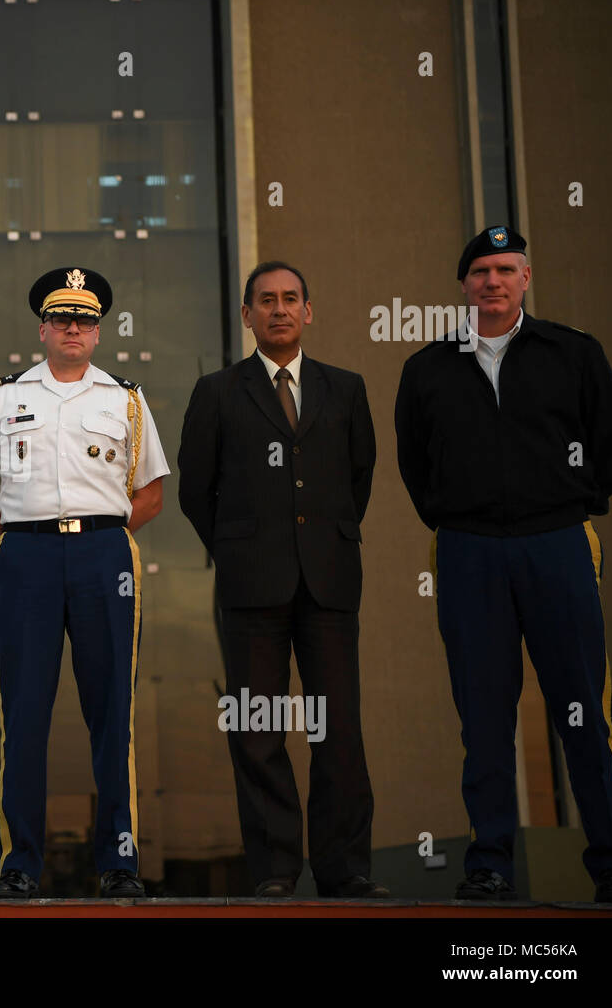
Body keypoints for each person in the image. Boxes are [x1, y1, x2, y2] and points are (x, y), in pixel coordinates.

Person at [395, 226, 612, 903]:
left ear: (526, 278)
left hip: (557, 542)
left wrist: (572, 500)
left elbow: (611, 445)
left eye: (505, 269)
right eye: (480, 271)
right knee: (484, 713)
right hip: (469, 550)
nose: (492, 281)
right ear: (464, 285)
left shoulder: (574, 354)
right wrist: (453, 511)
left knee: (583, 705)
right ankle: (489, 861)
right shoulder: (428, 368)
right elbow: (416, 463)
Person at [178, 261, 387, 900]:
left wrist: (318, 540)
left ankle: (344, 868)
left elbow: (358, 479)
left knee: (338, 729)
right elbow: (195, 490)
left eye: (291, 298)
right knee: (258, 728)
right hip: (250, 587)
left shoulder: (345, 388)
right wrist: (241, 549)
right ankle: (273, 869)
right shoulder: (216, 392)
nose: (279, 309)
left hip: (328, 583)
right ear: (247, 315)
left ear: (308, 310)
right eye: (265, 300)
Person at [0, 266, 168, 899]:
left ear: (98, 332)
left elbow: (152, 490)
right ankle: (20, 863)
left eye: (85, 320)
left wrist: (97, 535)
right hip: (27, 557)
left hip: (106, 556)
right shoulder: (2, 396)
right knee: (24, 713)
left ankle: (118, 861)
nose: (73, 329)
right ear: (42, 329)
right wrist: (26, 534)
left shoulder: (125, 398)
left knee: (113, 714)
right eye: (61, 319)